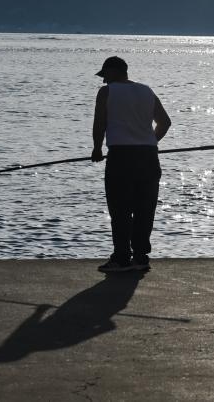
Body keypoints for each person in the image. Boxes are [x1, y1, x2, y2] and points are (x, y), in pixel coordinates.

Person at [91, 56, 172, 273]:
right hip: (148, 157)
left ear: (115, 72)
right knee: (145, 208)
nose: (103, 81)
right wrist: (150, 142)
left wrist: (97, 149)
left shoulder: (107, 93)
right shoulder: (146, 90)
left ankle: (121, 258)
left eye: (105, 75)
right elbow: (165, 122)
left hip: (121, 157)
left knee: (120, 209)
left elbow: (100, 123)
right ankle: (141, 257)